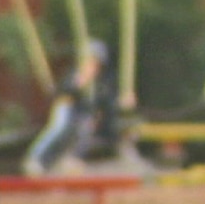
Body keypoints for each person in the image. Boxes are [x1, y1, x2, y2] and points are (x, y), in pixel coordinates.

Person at [22, 39, 132, 176]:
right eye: (89, 61)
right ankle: (36, 158)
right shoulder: (74, 75)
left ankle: (72, 159)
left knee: (86, 128)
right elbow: (60, 92)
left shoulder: (100, 83)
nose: (92, 66)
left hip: (83, 111)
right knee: (60, 128)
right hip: (67, 106)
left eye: (95, 63)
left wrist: (121, 102)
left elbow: (106, 101)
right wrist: (77, 84)